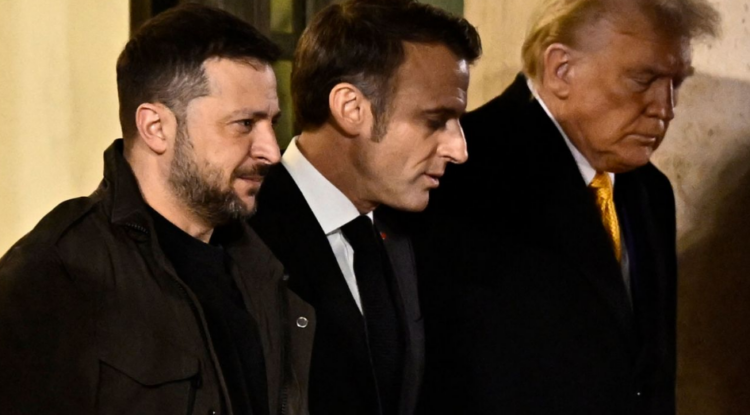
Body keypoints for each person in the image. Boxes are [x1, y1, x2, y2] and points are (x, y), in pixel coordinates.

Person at [0, 5, 313, 414]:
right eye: (244, 124)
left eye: (272, 122)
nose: (271, 150)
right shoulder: (56, 273)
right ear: (155, 127)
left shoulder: (259, 262)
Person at [417, 0, 720, 414]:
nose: (665, 109)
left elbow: (650, 370)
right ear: (561, 69)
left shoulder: (651, 191)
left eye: (676, 83)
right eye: (643, 79)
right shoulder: (455, 172)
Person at [248, 1, 481, 414]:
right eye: (434, 121)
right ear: (352, 108)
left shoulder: (411, 230)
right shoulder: (241, 235)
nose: (459, 149)